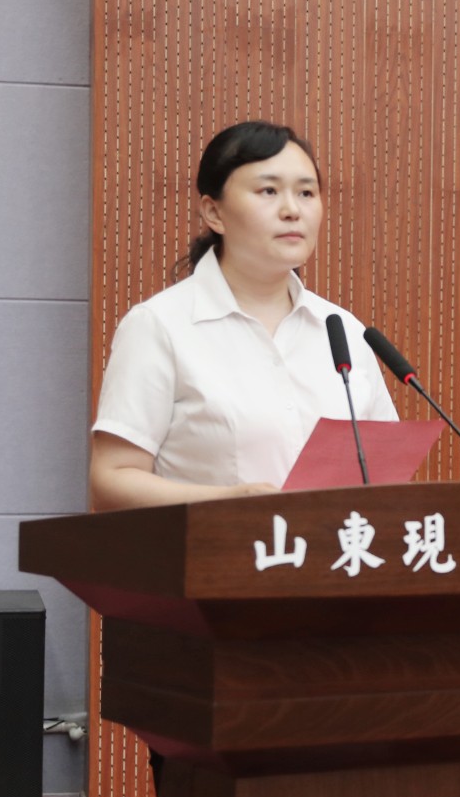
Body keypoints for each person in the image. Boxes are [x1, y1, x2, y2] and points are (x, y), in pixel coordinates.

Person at [90, 120, 397, 512]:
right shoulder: (160, 326)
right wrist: (227, 502)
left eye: (306, 192)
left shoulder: (343, 331)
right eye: (268, 191)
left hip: (329, 549)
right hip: (214, 547)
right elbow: (111, 479)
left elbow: (386, 476)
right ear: (214, 212)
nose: (292, 210)